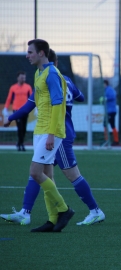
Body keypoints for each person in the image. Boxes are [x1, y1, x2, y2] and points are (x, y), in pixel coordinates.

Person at [0, 49, 105, 227]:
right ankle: (26, 213)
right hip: (55, 132)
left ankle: (94, 211)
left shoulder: (51, 78)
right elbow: (82, 97)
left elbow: (36, 104)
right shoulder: (66, 80)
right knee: (38, 172)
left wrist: (11, 118)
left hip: (58, 135)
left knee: (71, 175)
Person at [22, 38, 74, 232]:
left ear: (41, 53)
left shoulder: (51, 73)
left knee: (35, 173)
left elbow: (57, 104)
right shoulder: (38, 72)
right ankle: (52, 221)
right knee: (46, 175)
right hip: (40, 130)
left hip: (50, 132)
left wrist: (51, 134)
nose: (27, 55)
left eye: (30, 52)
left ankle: (64, 209)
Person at [2, 71, 33, 151]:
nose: (23, 79)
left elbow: (32, 99)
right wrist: (6, 108)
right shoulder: (13, 87)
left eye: (24, 77)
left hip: (25, 110)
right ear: (18, 78)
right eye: (21, 77)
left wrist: (35, 108)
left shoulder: (28, 87)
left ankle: (20, 142)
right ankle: (21, 144)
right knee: (20, 127)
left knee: (24, 128)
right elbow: (9, 98)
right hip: (16, 110)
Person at [101, 80, 119, 146]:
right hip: (108, 111)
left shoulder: (109, 89)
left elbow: (113, 96)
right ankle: (106, 140)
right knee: (105, 125)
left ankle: (116, 141)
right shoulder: (105, 90)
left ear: (105, 84)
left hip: (111, 111)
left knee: (112, 125)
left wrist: (106, 98)